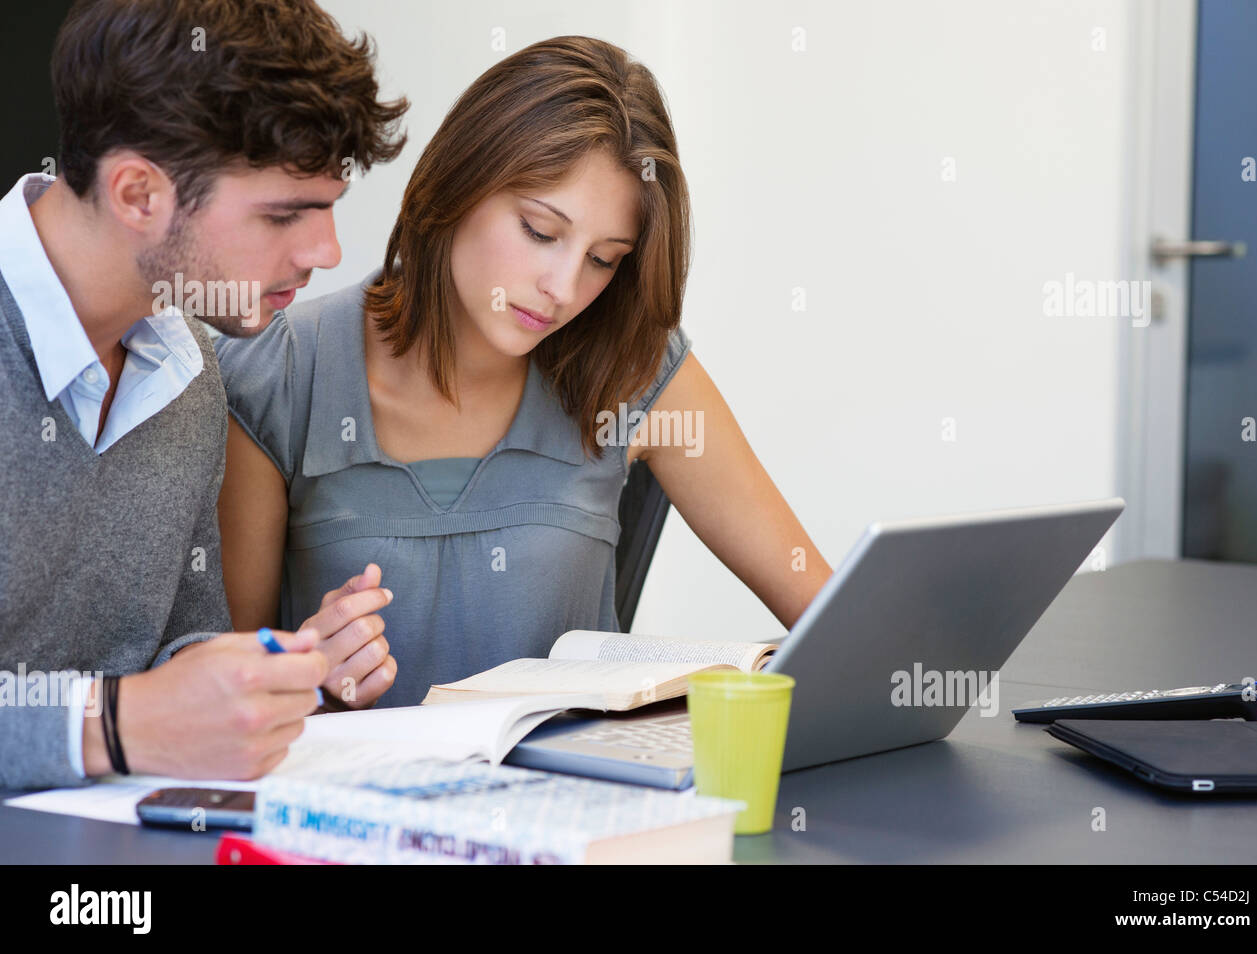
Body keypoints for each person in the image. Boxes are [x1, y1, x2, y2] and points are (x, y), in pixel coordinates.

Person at [215, 36, 834, 708]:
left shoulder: (637, 369)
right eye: (540, 231)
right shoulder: (274, 375)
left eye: (604, 259)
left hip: (582, 805)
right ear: (459, 182)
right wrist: (308, 669)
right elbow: (223, 695)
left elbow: (828, 610)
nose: (563, 288)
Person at [0, 0, 409, 790]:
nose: (325, 251)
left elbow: (173, 649)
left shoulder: (187, 369)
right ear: (138, 194)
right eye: (285, 214)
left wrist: (280, 672)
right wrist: (116, 724)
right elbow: (137, 708)